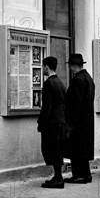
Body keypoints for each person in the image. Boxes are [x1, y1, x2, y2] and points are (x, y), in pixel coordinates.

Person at [63, 53, 95, 184]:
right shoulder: (88, 78)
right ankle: (86, 174)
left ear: (74, 66)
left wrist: (70, 123)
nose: (70, 69)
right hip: (86, 121)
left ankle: (79, 175)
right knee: (83, 150)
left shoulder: (78, 80)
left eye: (71, 66)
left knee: (76, 150)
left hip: (78, 122)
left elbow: (75, 104)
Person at [37, 56, 66, 189]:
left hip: (52, 122)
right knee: (58, 149)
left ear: (46, 67)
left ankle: (58, 178)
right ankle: (57, 176)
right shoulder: (60, 82)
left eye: (43, 67)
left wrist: (41, 122)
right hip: (60, 120)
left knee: (52, 149)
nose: (42, 69)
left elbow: (47, 106)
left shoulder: (49, 83)